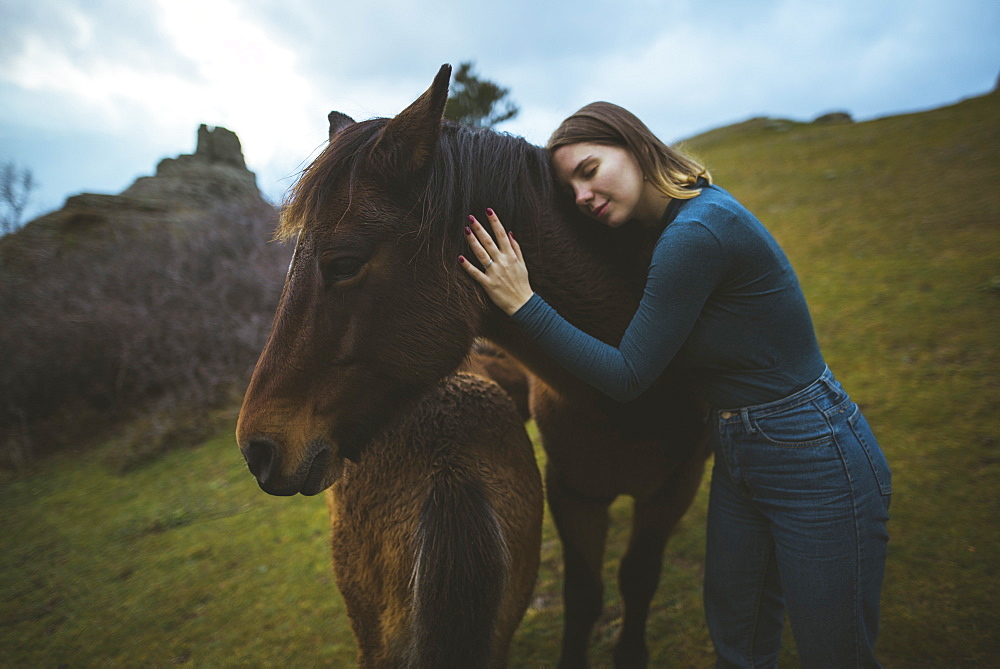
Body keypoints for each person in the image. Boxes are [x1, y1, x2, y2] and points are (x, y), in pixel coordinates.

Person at [458, 102, 891, 668]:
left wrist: (523, 304)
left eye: (589, 170)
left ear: (635, 146)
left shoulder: (697, 233)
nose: (583, 197)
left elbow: (628, 374)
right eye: (571, 192)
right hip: (740, 443)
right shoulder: (656, 233)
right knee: (738, 636)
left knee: (835, 652)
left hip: (811, 444)